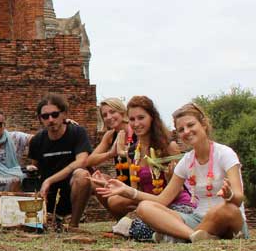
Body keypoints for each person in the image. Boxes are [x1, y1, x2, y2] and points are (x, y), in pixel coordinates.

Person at [95, 102, 248, 242]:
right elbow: (162, 200)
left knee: (225, 210)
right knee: (145, 207)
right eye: (181, 129)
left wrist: (230, 196)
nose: (186, 131)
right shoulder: (187, 161)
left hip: (227, 217)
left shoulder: (225, 153)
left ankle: (179, 235)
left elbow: (239, 198)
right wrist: (127, 190)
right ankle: (193, 236)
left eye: (191, 125)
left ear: (204, 124)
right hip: (197, 219)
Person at [93, 95, 193, 239]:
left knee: (135, 226)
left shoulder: (169, 147)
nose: (136, 123)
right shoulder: (133, 152)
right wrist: (111, 185)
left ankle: (170, 232)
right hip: (149, 206)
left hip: (176, 205)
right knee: (130, 223)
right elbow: (136, 190)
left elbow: (176, 192)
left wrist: (170, 177)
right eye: (132, 119)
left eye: (141, 118)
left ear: (152, 118)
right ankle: (165, 233)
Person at [28, 93, 92, 229]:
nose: (50, 119)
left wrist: (50, 180)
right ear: (40, 119)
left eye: (55, 114)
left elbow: (82, 161)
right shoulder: (37, 141)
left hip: (72, 193)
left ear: (64, 114)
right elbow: (35, 169)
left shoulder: (77, 133)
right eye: (45, 116)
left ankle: (74, 224)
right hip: (48, 196)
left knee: (82, 175)